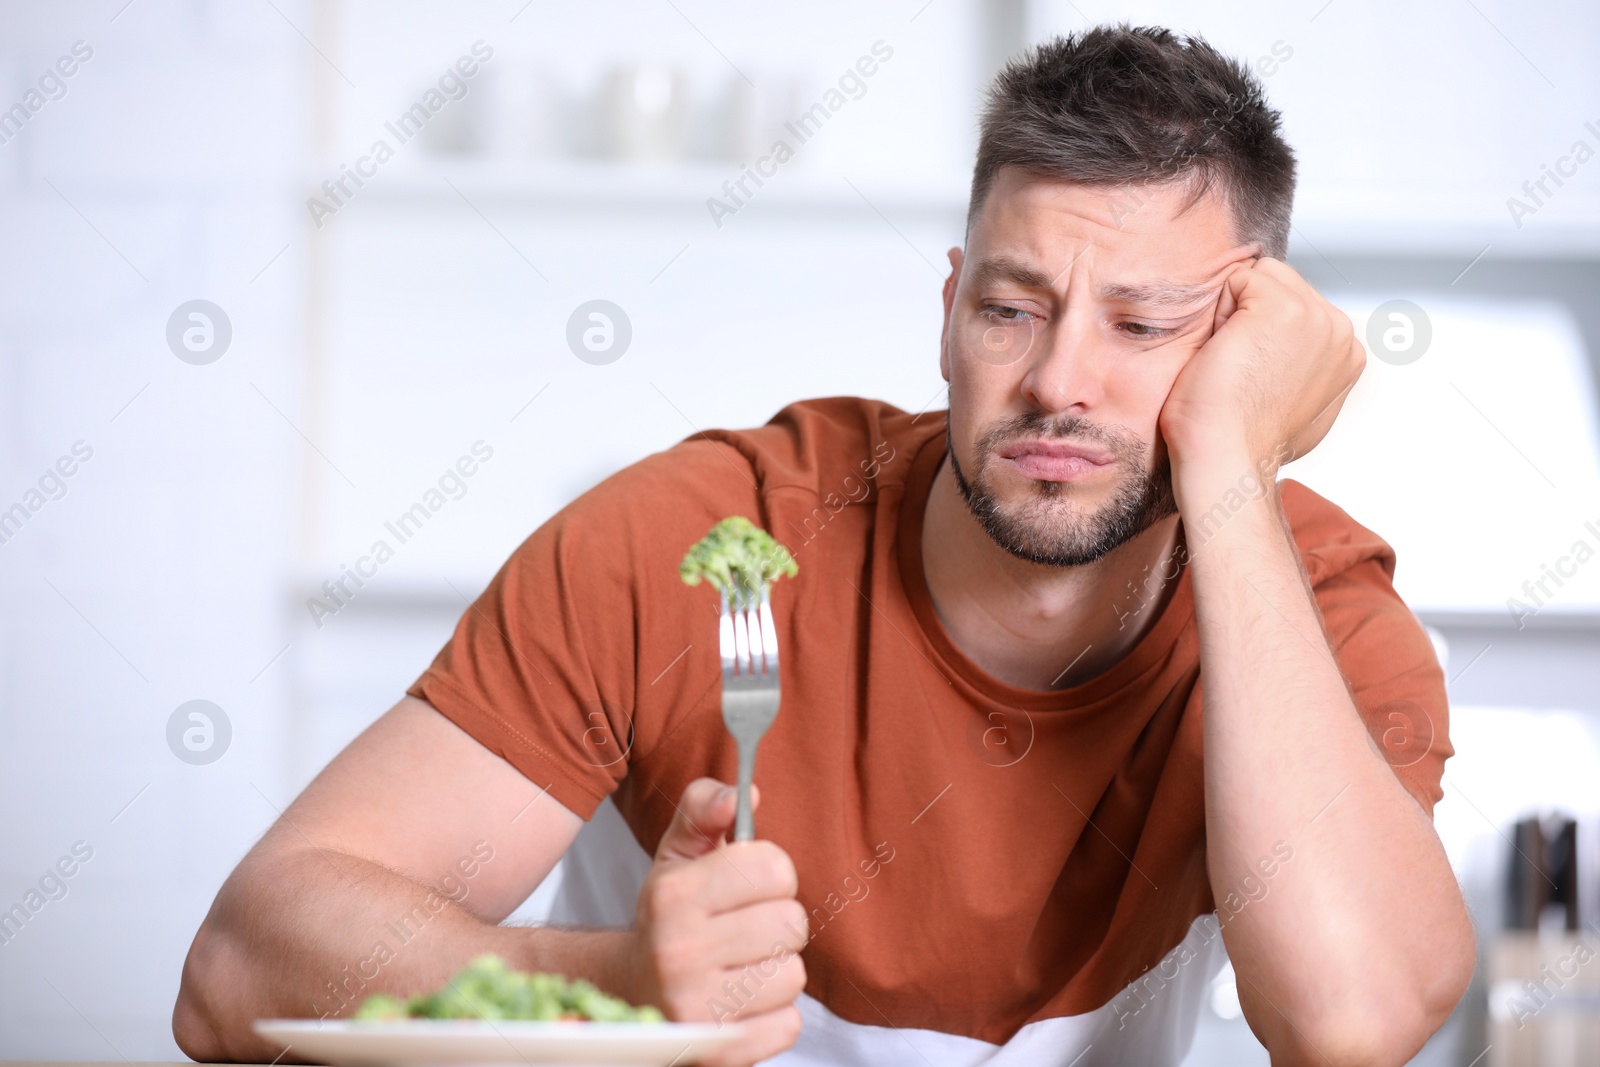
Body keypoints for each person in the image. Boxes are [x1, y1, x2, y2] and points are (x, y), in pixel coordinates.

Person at [173, 24, 1474, 1067]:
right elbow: (241, 969)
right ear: (951, 309)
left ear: (1250, 346)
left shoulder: (1316, 610)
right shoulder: (700, 543)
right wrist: (608, 983)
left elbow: (1349, 1026)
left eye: (1145, 326)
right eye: (1013, 309)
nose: (1058, 381)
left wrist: (1234, 474)